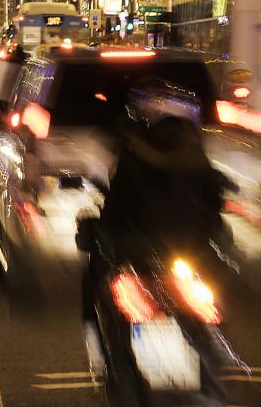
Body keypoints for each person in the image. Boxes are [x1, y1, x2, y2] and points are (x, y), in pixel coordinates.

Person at [85, 79, 227, 329]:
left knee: (99, 280)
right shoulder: (195, 154)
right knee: (212, 293)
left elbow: (117, 200)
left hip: (139, 244)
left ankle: (97, 335)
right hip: (192, 246)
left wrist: (101, 230)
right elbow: (215, 200)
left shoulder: (134, 152)